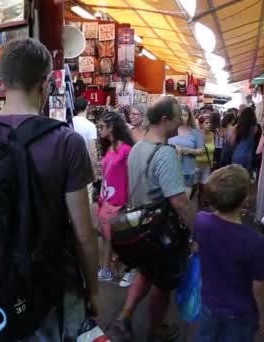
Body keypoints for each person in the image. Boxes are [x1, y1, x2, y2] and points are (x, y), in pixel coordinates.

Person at [0, 38, 99, 340]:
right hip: (46, 282)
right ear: (46, 82)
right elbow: (84, 233)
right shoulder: (65, 141)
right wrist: (93, 289)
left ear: (1, 80)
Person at [110, 96, 196, 342]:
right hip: (161, 231)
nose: (182, 118)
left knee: (145, 272)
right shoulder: (165, 153)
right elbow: (178, 200)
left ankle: (124, 317)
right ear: (165, 119)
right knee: (162, 282)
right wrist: (197, 230)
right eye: (178, 115)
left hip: (140, 226)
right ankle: (156, 330)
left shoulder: (139, 147)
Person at [194, 165, 264, 341]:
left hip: (209, 302)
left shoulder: (201, 221)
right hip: (241, 313)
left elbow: (197, 248)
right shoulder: (255, 242)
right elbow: (260, 287)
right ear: (245, 200)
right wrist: (262, 319)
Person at [95, 112, 133, 284]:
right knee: (106, 236)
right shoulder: (109, 148)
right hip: (106, 199)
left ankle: (126, 268)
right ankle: (107, 268)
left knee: (118, 238)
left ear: (112, 127)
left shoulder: (126, 150)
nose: (99, 129)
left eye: (102, 126)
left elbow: (131, 176)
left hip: (119, 200)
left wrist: (129, 201)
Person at [168, 105, 204, 199]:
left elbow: (201, 150)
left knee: (185, 200)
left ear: (189, 117)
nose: (181, 118)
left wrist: (188, 150)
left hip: (188, 171)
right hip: (170, 170)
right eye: (179, 115)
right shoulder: (170, 130)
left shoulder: (195, 133)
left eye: (184, 115)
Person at [73, 97, 100, 200]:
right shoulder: (90, 126)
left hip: (70, 164)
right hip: (85, 166)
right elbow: (92, 151)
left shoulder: (68, 122)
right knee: (86, 196)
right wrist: (95, 171)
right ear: (87, 107)